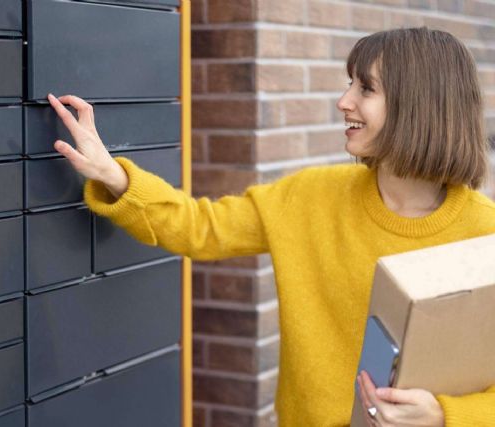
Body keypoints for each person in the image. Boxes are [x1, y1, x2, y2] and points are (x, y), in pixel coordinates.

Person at [46, 27, 495, 427]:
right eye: (350, 84)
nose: (344, 101)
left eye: (366, 88)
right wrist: (112, 174)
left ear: (420, 104)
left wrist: (444, 416)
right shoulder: (310, 197)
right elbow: (199, 227)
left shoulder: (486, 234)